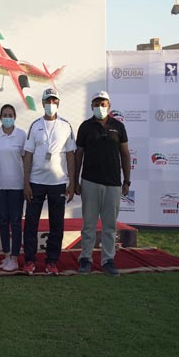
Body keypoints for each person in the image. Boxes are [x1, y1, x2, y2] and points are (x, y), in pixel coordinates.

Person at [74, 91, 131, 277]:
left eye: (103, 103)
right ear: (92, 106)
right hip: (90, 181)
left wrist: (127, 181)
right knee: (89, 224)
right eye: (97, 104)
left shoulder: (118, 126)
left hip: (113, 183)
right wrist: (75, 181)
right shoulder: (85, 126)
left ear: (109, 105)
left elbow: (125, 154)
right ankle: (85, 258)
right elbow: (79, 155)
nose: (100, 107)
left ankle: (108, 260)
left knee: (110, 226)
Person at [23, 88, 76, 275]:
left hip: (58, 182)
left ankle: (52, 262)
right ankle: (29, 261)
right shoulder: (35, 125)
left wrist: (72, 183)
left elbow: (70, 156)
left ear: (58, 103)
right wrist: (26, 183)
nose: (51, 104)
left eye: (54, 101)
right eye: (48, 101)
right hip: (35, 181)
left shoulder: (66, 126)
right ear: (42, 103)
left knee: (57, 225)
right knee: (31, 223)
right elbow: (28, 155)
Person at [0, 104, 26, 272]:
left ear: (15, 117)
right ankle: (6, 256)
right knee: (3, 222)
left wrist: (27, 182)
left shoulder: (21, 135)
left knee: (16, 222)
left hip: (17, 186)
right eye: (5, 115)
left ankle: (15, 258)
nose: (8, 118)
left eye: (10, 115)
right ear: (0, 117)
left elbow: (26, 160)